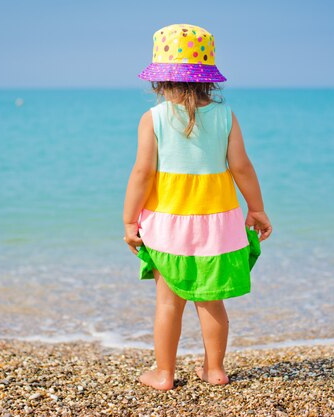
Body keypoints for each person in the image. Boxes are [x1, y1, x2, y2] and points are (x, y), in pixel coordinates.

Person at [122, 23, 272, 391]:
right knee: (211, 301)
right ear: (208, 79)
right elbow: (241, 167)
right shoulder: (225, 116)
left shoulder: (153, 118)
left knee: (168, 302)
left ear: (160, 79)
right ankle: (215, 369)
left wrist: (129, 219)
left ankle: (164, 374)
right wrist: (257, 208)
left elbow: (142, 173)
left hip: (168, 223)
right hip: (217, 223)